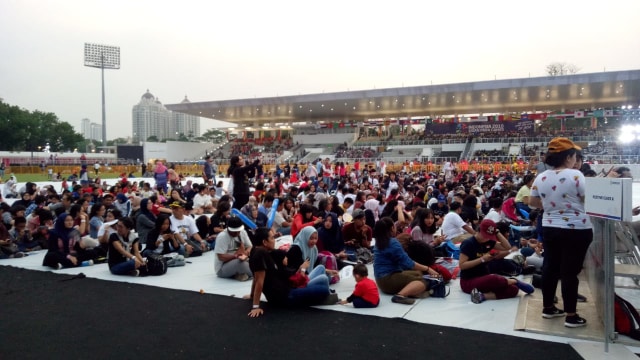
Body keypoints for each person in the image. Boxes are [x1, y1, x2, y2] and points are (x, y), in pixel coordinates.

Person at [529, 137, 592, 328]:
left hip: (550, 227)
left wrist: (552, 206)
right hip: (576, 229)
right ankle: (571, 315)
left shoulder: (541, 176)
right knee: (569, 273)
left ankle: (548, 308)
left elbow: (532, 202)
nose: (576, 160)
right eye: (574, 156)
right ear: (568, 157)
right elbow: (588, 200)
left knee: (550, 268)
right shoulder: (576, 175)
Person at [246, 227, 331, 318]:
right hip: (286, 296)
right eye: (272, 238)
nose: (274, 240)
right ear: (264, 242)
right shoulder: (260, 254)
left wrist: (252, 295)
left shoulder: (260, 251)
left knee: (321, 270)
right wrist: (255, 306)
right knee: (324, 284)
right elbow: (259, 280)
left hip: (289, 286)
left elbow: (256, 276)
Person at [459, 219, 534, 304]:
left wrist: (497, 232)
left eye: (489, 236)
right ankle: (514, 281)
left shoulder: (489, 242)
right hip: (469, 281)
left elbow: (507, 247)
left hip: (484, 278)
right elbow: (462, 265)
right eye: (485, 235)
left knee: (513, 290)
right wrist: (482, 259)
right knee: (493, 278)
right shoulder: (469, 243)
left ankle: (483, 296)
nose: (487, 239)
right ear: (479, 231)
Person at [373, 217, 440, 305]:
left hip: (380, 280)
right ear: (392, 228)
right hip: (387, 280)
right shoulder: (393, 243)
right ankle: (400, 295)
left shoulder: (378, 243)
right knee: (423, 282)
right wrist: (428, 269)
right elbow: (408, 263)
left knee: (418, 273)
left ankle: (411, 291)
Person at [213, 216, 253, 281]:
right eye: (234, 231)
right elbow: (221, 257)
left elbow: (249, 246)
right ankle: (257, 274)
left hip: (241, 258)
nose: (237, 233)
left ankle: (240, 273)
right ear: (228, 228)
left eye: (238, 231)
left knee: (257, 258)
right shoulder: (222, 236)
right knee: (240, 263)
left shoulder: (242, 232)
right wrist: (236, 256)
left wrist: (246, 253)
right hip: (222, 267)